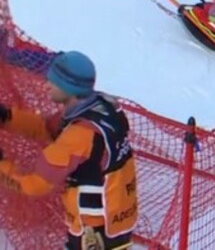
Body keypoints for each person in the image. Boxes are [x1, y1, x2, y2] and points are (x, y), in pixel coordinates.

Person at [0, 51, 138, 249]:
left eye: (53, 82)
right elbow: (48, 128)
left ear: (70, 88)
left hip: (92, 235)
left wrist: (2, 165)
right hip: (117, 224)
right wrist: (7, 118)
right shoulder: (103, 107)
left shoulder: (79, 135)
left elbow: (34, 185)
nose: (46, 85)